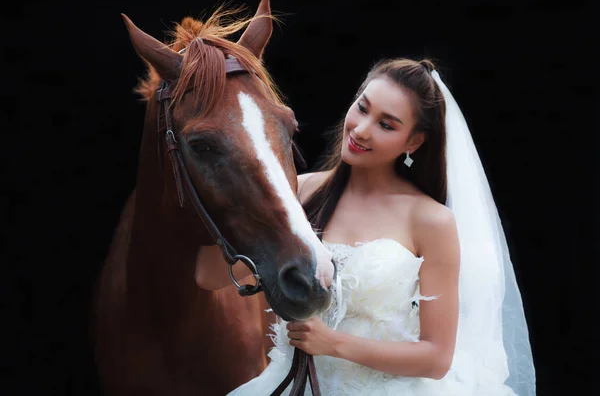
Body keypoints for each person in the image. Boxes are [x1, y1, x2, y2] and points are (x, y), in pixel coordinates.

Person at [199, 58, 536, 395]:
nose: (361, 129)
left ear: (413, 142)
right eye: (362, 108)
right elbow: (208, 276)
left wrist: (333, 344)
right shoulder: (297, 193)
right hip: (291, 384)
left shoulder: (430, 221)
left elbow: (436, 358)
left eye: (386, 125)